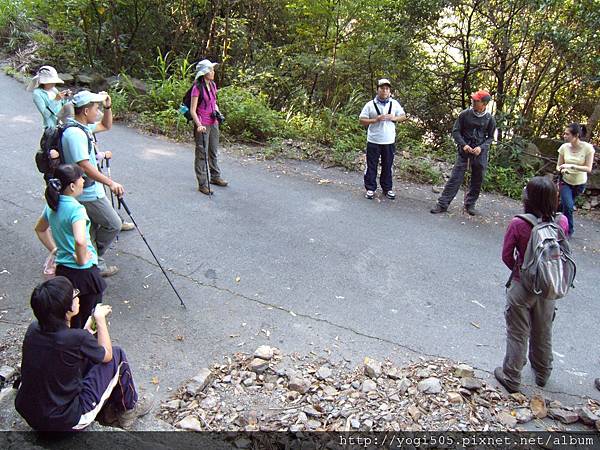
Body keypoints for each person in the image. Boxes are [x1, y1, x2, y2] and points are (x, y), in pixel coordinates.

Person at [14, 277, 153, 431]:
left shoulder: (34, 330)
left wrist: (85, 333)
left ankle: (109, 404)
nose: (77, 296)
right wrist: (100, 320)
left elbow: (63, 349)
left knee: (89, 358)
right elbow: (107, 356)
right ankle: (128, 409)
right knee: (117, 355)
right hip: (64, 421)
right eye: (74, 294)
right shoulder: (77, 339)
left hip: (30, 412)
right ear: (67, 309)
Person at [494, 176, 569, 393]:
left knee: (518, 333)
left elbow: (507, 256)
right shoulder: (561, 222)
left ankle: (511, 376)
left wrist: (521, 271)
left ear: (529, 198)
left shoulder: (519, 223)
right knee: (543, 330)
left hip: (522, 287)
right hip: (549, 288)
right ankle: (543, 372)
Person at [61, 90, 124, 277]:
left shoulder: (81, 127)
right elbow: (85, 166)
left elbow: (106, 124)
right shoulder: (75, 134)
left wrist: (108, 106)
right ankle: (93, 258)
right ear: (86, 111)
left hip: (90, 188)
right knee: (113, 224)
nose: (98, 112)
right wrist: (110, 182)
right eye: (96, 108)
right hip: (86, 192)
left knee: (93, 227)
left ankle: (94, 262)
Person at [34, 164, 106, 328]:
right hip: (85, 274)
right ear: (72, 186)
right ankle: (90, 348)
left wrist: (54, 249)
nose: (83, 180)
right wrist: (81, 259)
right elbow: (80, 240)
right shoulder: (76, 209)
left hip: (63, 271)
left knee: (70, 318)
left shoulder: (53, 205)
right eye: (80, 178)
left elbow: (40, 229)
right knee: (91, 318)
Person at [431, 90, 496, 215]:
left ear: (484, 104)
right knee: (455, 177)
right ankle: (442, 204)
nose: (473, 102)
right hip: (464, 151)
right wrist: (463, 144)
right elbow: (456, 131)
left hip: (479, 153)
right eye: (473, 100)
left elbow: (491, 137)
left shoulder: (489, 119)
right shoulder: (465, 114)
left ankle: (470, 204)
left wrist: (481, 148)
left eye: (477, 101)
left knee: (478, 178)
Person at [359, 79, 407, 200]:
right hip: (374, 140)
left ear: (390, 91)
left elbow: (403, 116)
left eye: (387, 88)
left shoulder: (394, 104)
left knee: (388, 165)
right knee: (371, 165)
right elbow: (362, 120)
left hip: (389, 140)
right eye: (382, 88)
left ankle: (387, 188)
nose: (385, 91)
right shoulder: (370, 104)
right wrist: (376, 119)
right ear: (377, 89)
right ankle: (370, 188)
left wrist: (394, 118)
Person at [190, 59, 228, 195]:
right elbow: (192, 110)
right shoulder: (197, 88)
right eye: (211, 70)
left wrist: (218, 113)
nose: (213, 72)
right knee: (201, 153)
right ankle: (202, 183)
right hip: (203, 124)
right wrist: (199, 125)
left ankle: (215, 177)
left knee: (213, 151)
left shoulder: (212, 85)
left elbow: (214, 102)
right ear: (204, 73)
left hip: (213, 122)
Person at [556, 123, 595, 237]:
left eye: (567, 134)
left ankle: (558, 219)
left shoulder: (588, 148)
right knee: (568, 205)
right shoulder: (564, 148)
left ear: (576, 135)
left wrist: (572, 166)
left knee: (565, 205)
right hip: (565, 181)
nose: (564, 136)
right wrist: (562, 169)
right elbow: (558, 165)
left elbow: (588, 168)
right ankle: (568, 231)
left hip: (579, 183)